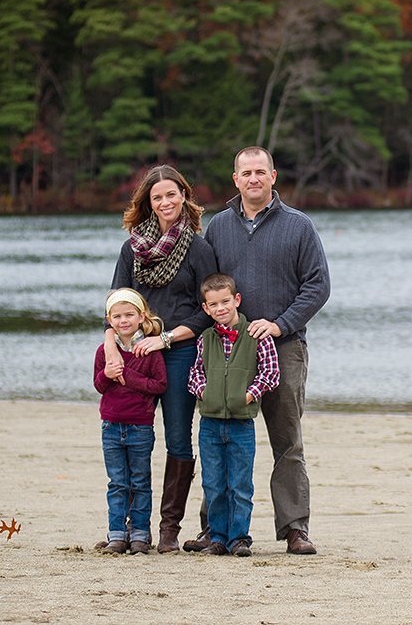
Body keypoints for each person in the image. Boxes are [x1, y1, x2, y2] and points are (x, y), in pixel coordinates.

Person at [188, 146, 330, 555]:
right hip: (227, 352)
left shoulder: (299, 226)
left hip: (283, 347)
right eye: (246, 172)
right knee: (222, 436)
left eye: (260, 172)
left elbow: (318, 286)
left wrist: (280, 323)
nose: (253, 178)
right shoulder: (218, 227)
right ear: (235, 179)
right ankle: (214, 530)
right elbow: (208, 288)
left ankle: (294, 529)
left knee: (287, 441)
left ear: (273, 176)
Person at [106, 165, 218, 553]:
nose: (166, 202)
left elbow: (207, 311)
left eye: (172, 194)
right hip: (133, 355)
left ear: (184, 197)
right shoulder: (131, 248)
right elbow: (115, 304)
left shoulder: (200, 249)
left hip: (179, 354)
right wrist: (110, 345)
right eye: (158, 197)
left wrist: (165, 339)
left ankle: (168, 529)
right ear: (148, 203)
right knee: (130, 439)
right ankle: (129, 531)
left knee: (176, 439)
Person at [187, 273, 280, 557]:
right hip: (210, 423)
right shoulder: (206, 338)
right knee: (213, 484)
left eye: (225, 301)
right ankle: (217, 538)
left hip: (242, 423)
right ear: (206, 308)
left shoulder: (255, 334)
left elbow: (271, 373)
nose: (220, 308)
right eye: (213, 304)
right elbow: (195, 373)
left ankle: (239, 538)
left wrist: (249, 394)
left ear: (236, 300)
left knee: (240, 484)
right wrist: (205, 392)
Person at [94, 288, 168, 555]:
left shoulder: (148, 350)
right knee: (117, 483)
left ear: (141, 317)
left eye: (129, 315)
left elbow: (159, 385)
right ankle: (116, 534)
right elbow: (99, 386)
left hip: (140, 427)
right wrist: (107, 374)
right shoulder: (104, 351)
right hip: (111, 426)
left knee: (139, 482)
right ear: (109, 320)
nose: (123, 320)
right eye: (117, 316)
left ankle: (139, 534)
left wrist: (126, 376)